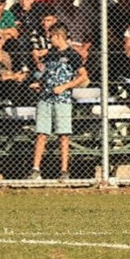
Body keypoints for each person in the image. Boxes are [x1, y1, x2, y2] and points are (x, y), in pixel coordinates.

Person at [29, 22, 89, 181]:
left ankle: (64, 170)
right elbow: (46, 74)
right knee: (41, 133)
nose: (50, 41)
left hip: (62, 100)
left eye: (51, 37)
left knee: (63, 134)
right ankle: (36, 169)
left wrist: (64, 87)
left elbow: (83, 77)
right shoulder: (50, 54)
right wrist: (40, 84)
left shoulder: (72, 55)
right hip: (45, 98)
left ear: (59, 36)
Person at [9, 0, 42, 72]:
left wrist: (22, 27)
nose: (24, 2)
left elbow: (40, 26)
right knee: (21, 40)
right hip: (21, 36)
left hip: (36, 35)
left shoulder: (38, 9)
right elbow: (14, 26)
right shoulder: (14, 9)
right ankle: (22, 68)